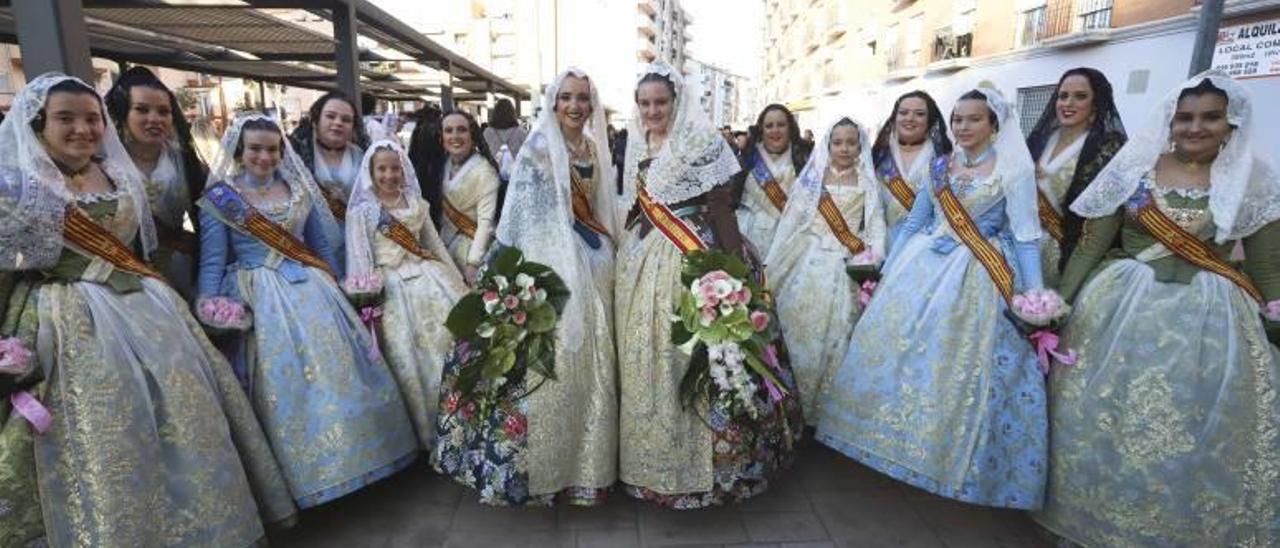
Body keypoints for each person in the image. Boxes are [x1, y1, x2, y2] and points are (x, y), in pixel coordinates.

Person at [0, 73, 295, 547]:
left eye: (91, 118)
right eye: (65, 118)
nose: (82, 128)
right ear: (37, 123)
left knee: (182, 411)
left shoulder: (115, 173)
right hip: (65, 314)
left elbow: (137, 246)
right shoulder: (18, 185)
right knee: (104, 435)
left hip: (144, 307)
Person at [1034, 71, 1280, 547]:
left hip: (1212, 323)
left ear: (1232, 123)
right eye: (1184, 117)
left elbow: (1269, 267)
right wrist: (1060, 301)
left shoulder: (1255, 178)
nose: (1195, 127)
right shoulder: (1135, 167)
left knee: (1193, 428)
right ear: (1170, 121)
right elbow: (1090, 245)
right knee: (1110, 417)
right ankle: (1098, 520)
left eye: (1211, 117)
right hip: (1121, 313)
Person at [815, 88, 1048, 510]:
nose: (963, 127)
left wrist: (1033, 297)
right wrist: (887, 273)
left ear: (993, 124)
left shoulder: (1014, 170)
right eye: (958, 119)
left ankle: (947, 458)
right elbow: (915, 223)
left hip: (979, 272)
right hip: (922, 265)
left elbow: (1027, 236)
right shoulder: (939, 166)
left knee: (954, 365)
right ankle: (894, 447)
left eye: (973, 119)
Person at [196, 113, 417, 509]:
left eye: (272, 149)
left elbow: (318, 246)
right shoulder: (221, 200)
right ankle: (308, 478)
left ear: (282, 151)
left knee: (344, 373)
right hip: (258, 295)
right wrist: (212, 305)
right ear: (239, 151)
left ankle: (361, 461)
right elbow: (212, 261)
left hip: (313, 291)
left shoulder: (298, 190)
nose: (264, 157)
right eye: (255, 149)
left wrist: (341, 290)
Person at [616, 62, 802, 509]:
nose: (653, 110)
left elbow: (721, 206)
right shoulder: (637, 139)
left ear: (676, 101)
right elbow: (637, 206)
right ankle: (649, 463)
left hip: (692, 253)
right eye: (645, 103)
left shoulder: (701, 141)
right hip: (644, 258)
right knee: (649, 357)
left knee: (699, 352)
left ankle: (716, 470)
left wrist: (734, 265)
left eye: (660, 101)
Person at [434, 68, 619, 506]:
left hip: (594, 264)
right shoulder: (538, 147)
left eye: (583, 98)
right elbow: (523, 214)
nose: (575, 106)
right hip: (550, 262)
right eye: (567, 98)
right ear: (554, 103)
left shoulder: (592, 147)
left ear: (591, 105)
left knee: (594, 364)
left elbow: (598, 206)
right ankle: (541, 467)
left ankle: (589, 466)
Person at [344, 140, 466, 451]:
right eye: (382, 169)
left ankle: (460, 421)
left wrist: (457, 281)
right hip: (390, 285)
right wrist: (368, 298)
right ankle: (425, 433)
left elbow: (434, 245)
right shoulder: (362, 212)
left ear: (404, 169)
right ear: (371, 172)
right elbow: (360, 256)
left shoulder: (414, 202)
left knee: (448, 342)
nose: (389, 175)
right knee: (405, 355)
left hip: (427, 277)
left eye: (395, 168)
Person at [764, 116, 885, 422]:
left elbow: (874, 224)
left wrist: (873, 259)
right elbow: (791, 220)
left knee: (838, 333)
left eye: (851, 142)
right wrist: (773, 261)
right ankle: (791, 405)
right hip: (807, 255)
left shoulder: (868, 180)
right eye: (838, 142)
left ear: (860, 145)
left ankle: (826, 414)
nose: (844, 148)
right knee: (795, 326)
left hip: (845, 260)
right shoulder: (813, 178)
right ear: (828, 145)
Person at [104, 66, 209, 300]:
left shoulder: (183, 161)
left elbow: (208, 212)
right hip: (124, 270)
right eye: (142, 110)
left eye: (163, 112)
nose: (154, 119)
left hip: (179, 263)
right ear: (124, 114)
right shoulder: (105, 163)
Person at [1024, 68, 1127, 288]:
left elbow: (1100, 226)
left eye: (1080, 96)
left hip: (1065, 252)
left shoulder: (1106, 148)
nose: (1068, 103)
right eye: (1063, 96)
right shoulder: (1040, 139)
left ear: (1096, 102)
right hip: (1024, 246)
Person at [289, 91, 367, 266]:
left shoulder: (361, 155)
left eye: (346, 120)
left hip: (356, 243)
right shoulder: (298, 155)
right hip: (313, 244)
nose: (338, 123)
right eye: (330, 116)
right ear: (316, 119)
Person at [870, 90, 953, 251]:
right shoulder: (879, 156)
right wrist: (877, 249)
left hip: (927, 244)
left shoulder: (942, 156)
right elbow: (873, 208)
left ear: (930, 120)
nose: (910, 118)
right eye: (903, 113)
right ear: (894, 118)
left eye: (919, 114)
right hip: (884, 243)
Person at [733, 104, 812, 254]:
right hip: (748, 238)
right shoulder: (748, 157)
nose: (775, 130)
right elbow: (732, 198)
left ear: (790, 128)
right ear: (761, 130)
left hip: (790, 242)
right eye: (769, 126)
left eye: (781, 125)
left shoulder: (804, 158)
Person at [434, 110, 502, 283]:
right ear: (442, 137)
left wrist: (473, 264)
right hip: (442, 245)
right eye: (448, 131)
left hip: (473, 248)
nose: (455, 136)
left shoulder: (485, 171)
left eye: (461, 130)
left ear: (472, 135)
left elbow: (485, 222)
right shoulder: (439, 165)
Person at [483, 98, 528, 181]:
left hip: (492, 175)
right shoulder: (521, 132)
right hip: (516, 176)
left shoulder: (487, 132)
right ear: (512, 113)